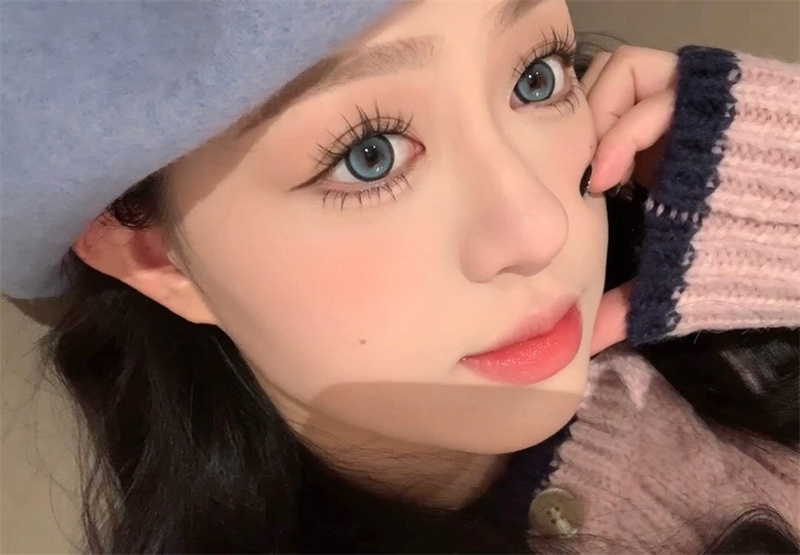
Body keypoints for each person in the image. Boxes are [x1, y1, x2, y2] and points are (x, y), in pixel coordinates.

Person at [2, 0, 798, 552]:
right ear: (154, 255)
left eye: (536, 76)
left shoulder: (713, 309)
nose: (540, 227)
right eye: (368, 154)